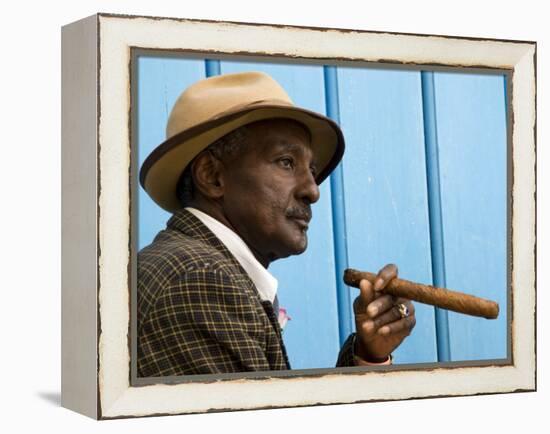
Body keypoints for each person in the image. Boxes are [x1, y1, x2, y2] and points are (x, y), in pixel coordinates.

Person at [137, 71, 416, 377]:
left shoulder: (199, 267)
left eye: (311, 169)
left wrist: (369, 355)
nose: (313, 190)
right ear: (212, 175)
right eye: (286, 162)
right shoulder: (199, 280)